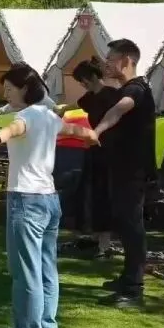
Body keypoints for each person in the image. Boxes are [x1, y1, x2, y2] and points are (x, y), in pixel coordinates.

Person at [0, 64, 98, 328]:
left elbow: (13, 129)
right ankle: (47, 327)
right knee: (46, 266)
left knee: (26, 270)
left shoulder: (27, 116)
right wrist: (91, 136)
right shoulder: (49, 116)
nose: (6, 94)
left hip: (26, 200)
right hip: (49, 200)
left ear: (26, 89)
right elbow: (73, 130)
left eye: (10, 89)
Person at [91, 39, 156, 309]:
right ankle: (127, 278)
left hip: (133, 171)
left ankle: (134, 289)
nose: (106, 63)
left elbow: (118, 110)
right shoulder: (125, 88)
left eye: (111, 58)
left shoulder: (136, 89)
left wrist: (97, 131)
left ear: (127, 60)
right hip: (121, 168)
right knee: (125, 224)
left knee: (132, 227)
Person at [72, 58, 120, 257]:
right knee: (89, 193)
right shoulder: (89, 97)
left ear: (92, 77)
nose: (82, 84)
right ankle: (94, 235)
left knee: (104, 195)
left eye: (82, 80)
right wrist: (58, 110)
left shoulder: (113, 96)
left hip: (110, 152)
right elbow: (74, 105)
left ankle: (105, 243)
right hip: (93, 150)